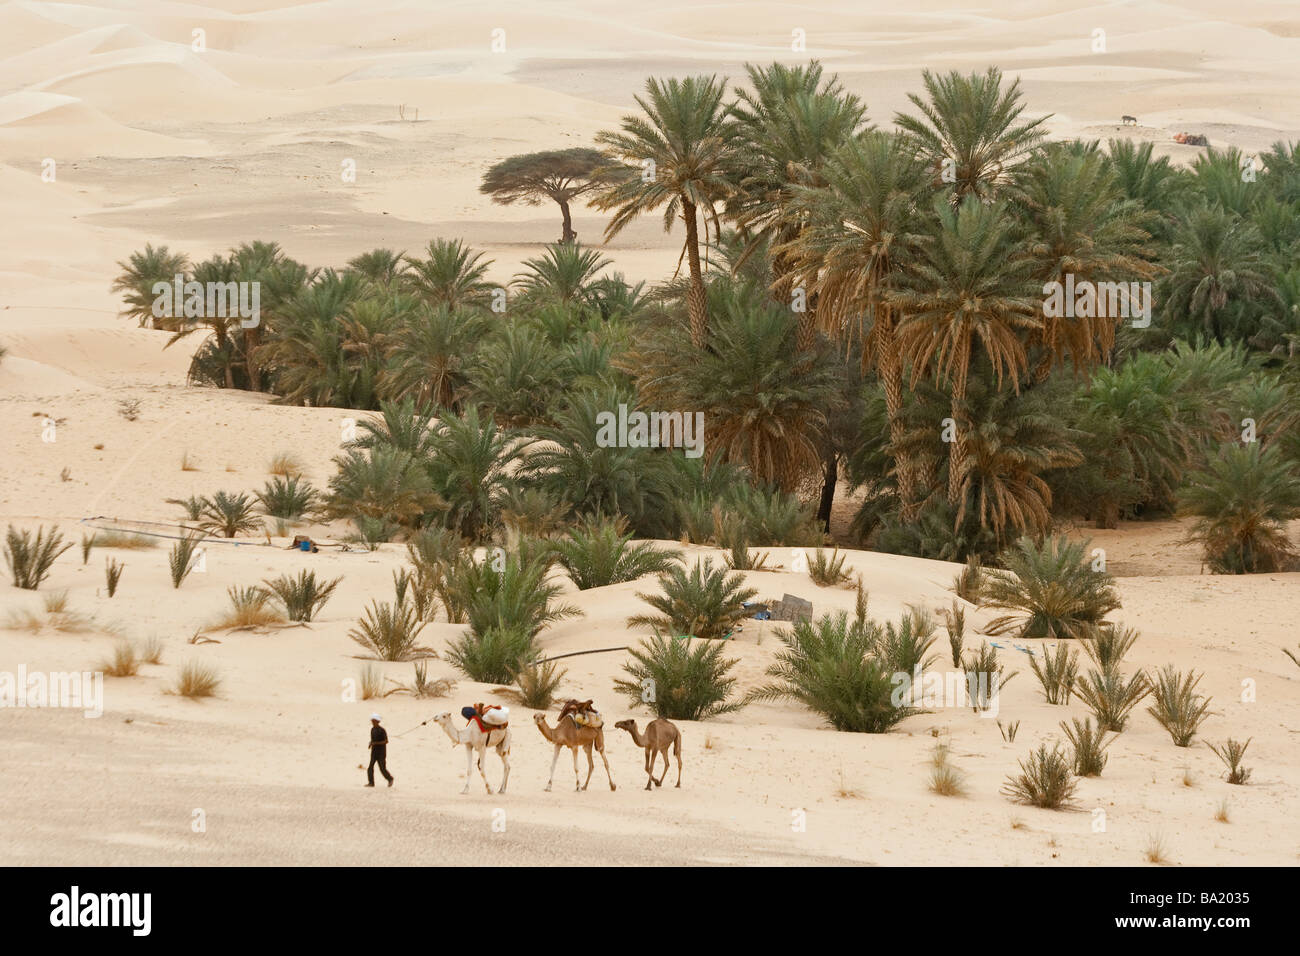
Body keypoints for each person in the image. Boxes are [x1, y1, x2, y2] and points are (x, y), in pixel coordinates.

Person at [366, 714, 393, 788]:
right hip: (374, 752)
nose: (372, 722)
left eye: (374, 721)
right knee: (370, 767)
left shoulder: (382, 730)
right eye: (372, 721)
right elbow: (373, 739)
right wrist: (371, 743)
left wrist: (375, 743)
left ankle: (390, 779)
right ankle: (371, 783)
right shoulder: (372, 729)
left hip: (381, 752)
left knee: (382, 768)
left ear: (377, 721)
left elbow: (386, 741)